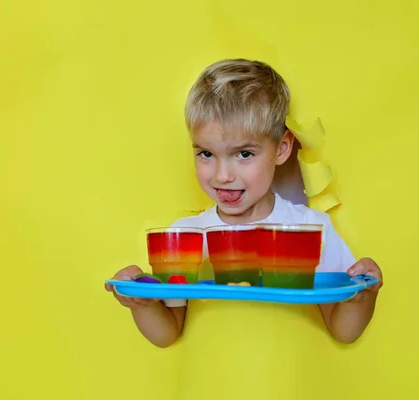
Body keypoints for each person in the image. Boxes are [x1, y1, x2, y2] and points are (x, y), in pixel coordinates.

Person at [104, 59, 383, 348]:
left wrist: (363, 296)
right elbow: (168, 333)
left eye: (244, 154)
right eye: (206, 154)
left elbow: (344, 331)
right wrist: (142, 303)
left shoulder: (310, 230)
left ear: (282, 149)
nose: (222, 176)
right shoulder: (185, 237)